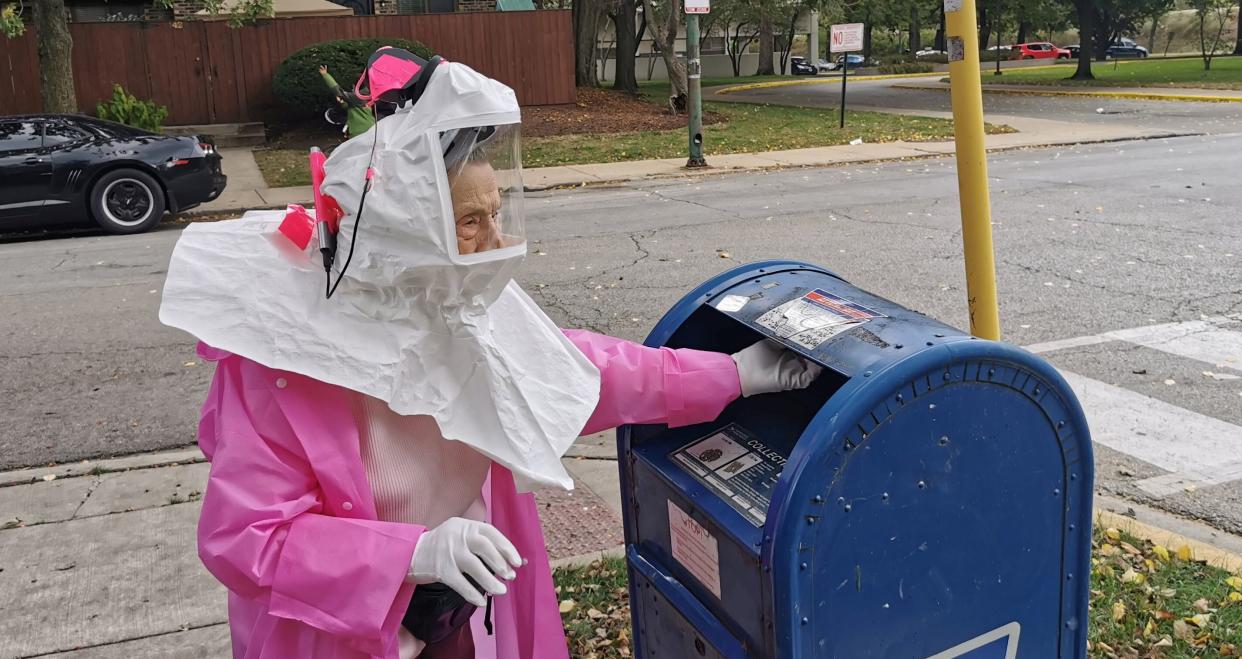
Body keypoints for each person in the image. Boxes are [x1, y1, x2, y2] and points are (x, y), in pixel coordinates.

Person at [160, 58, 820, 659]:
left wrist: (735, 374)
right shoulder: (282, 361)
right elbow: (246, 537)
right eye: (471, 223)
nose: (495, 241)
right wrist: (408, 554)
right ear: (401, 230)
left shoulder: (451, 306)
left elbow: (582, 373)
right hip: (338, 635)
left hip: (454, 619)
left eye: (497, 213)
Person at [320, 64, 376, 139]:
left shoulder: (357, 96)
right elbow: (355, 108)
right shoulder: (371, 94)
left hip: (359, 132)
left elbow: (338, 91)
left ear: (355, 86)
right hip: (373, 129)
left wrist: (325, 75)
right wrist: (343, 102)